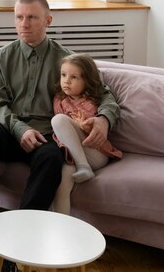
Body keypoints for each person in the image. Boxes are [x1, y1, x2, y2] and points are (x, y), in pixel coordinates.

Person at [0, 0, 120, 272]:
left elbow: (105, 94)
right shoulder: (1, 58)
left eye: (32, 17)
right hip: (10, 130)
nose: (25, 23)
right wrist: (19, 129)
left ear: (48, 20)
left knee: (52, 159)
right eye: (19, 17)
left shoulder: (67, 60)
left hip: (47, 137)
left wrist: (104, 119)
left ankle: (10, 254)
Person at [51, 53, 123, 183]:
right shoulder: (59, 99)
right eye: (63, 75)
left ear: (87, 80)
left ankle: (83, 166)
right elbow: (61, 132)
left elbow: (97, 132)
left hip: (96, 152)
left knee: (58, 120)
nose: (66, 81)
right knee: (63, 179)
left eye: (74, 77)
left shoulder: (93, 100)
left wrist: (86, 126)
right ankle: (82, 169)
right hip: (73, 153)